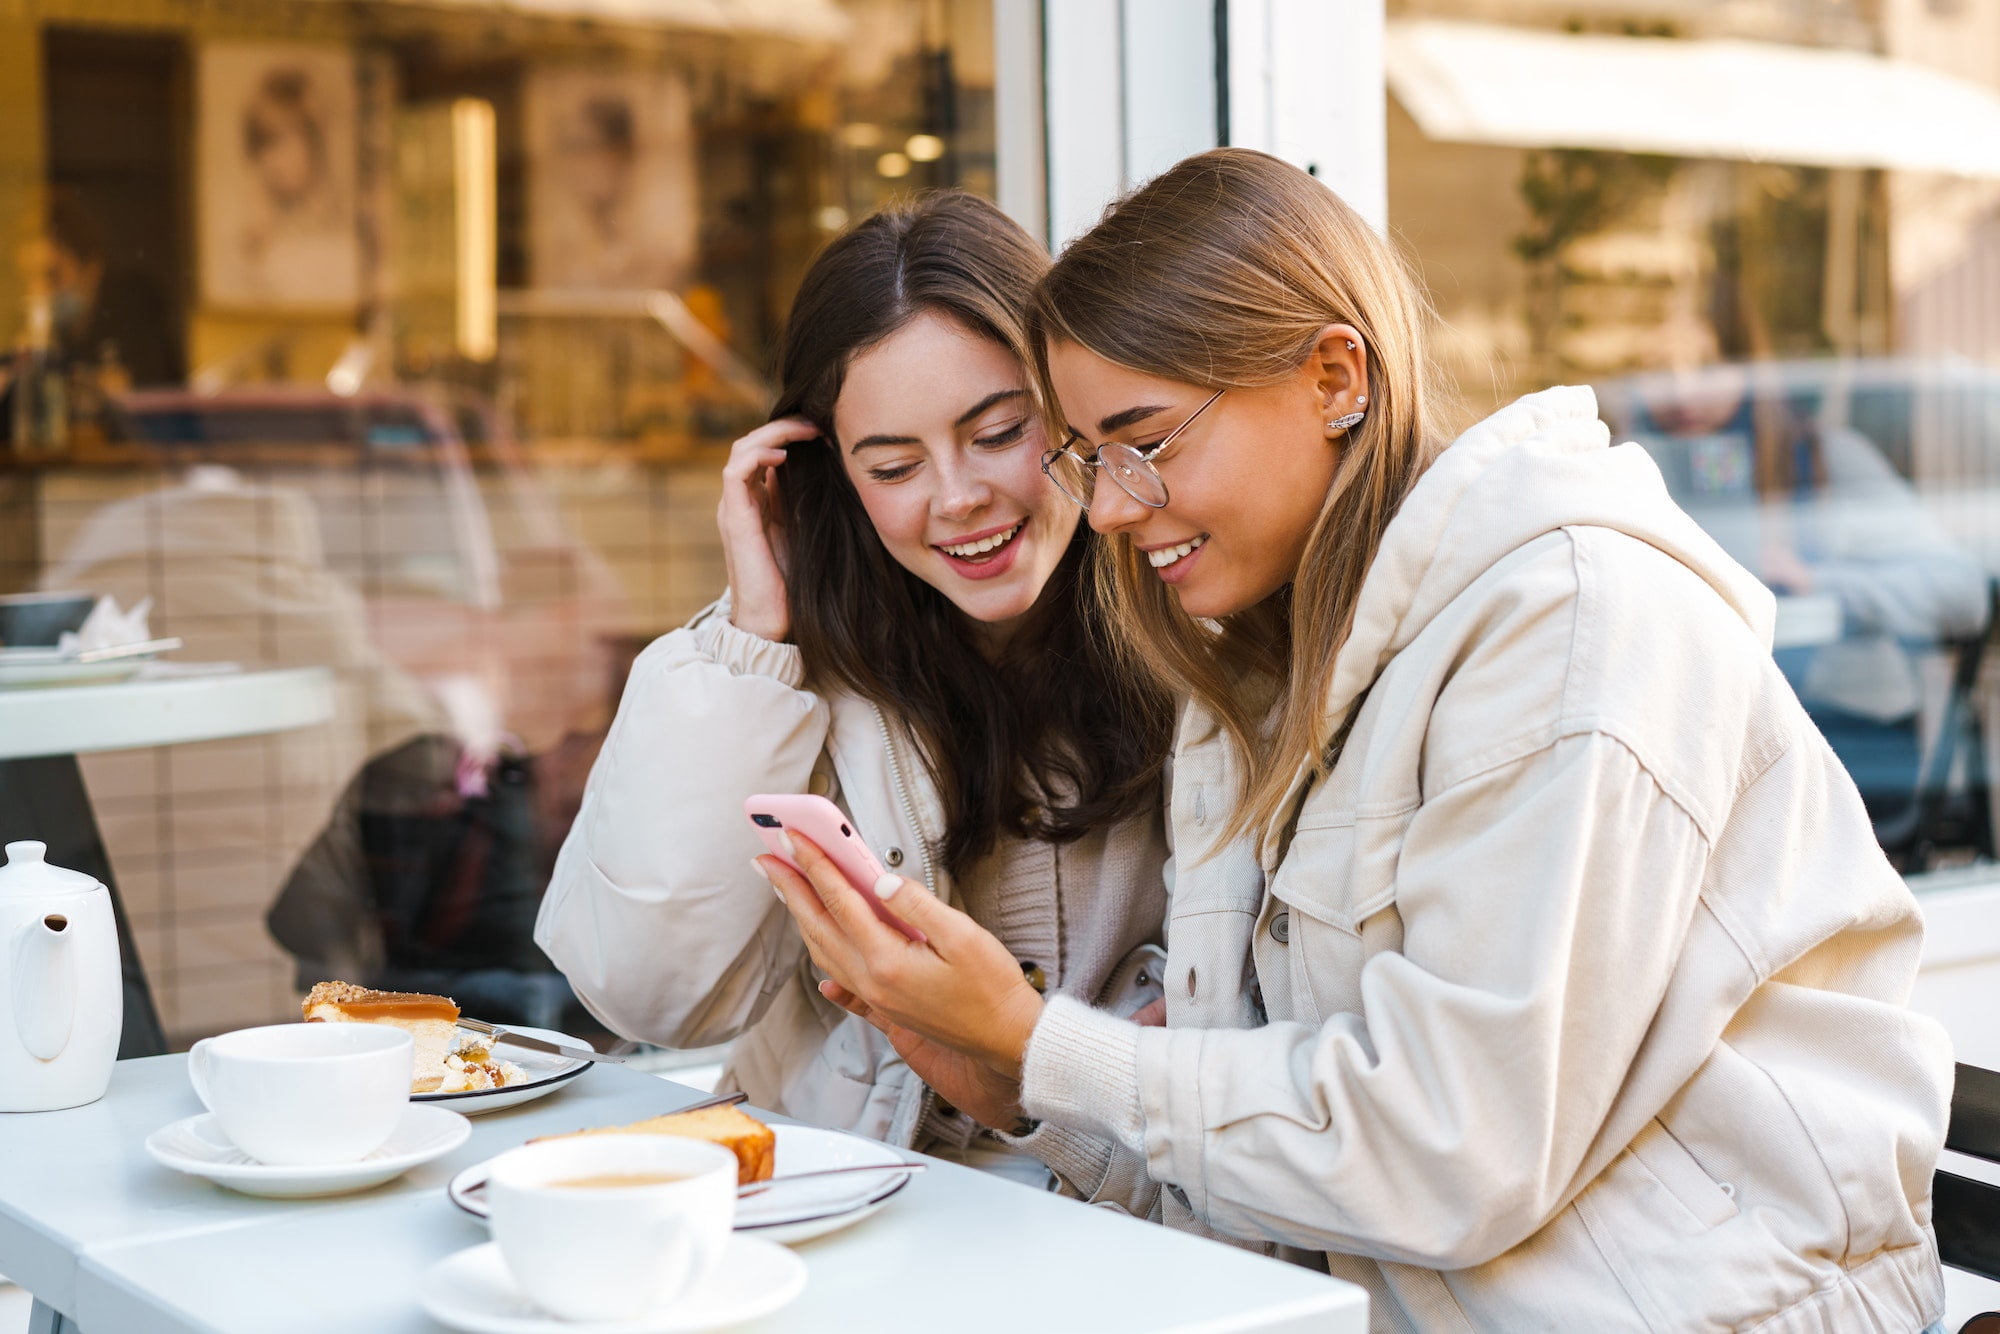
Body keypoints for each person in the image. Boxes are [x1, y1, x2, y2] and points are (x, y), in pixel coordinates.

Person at [763, 150, 1953, 1332]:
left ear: (1335, 375)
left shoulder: (1569, 625)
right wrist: (1018, 1086)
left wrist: (1045, 1043)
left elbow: (1451, 1148)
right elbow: (1292, 1173)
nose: (1112, 510)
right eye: (1084, 457)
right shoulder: (1257, 673)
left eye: (1146, 439)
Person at [534, 191, 1174, 1202]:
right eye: (893, 464)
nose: (956, 496)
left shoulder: (1193, 622)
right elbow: (652, 994)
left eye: (998, 431)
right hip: (848, 1204)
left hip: (1136, 1212)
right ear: (829, 471)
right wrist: (750, 640)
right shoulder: (780, 667)